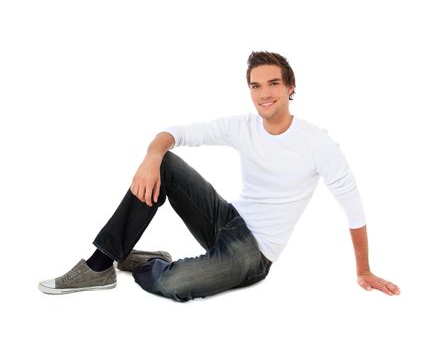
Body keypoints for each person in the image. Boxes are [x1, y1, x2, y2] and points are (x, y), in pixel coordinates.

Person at [38, 51, 400, 301]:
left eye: (273, 84)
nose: (264, 94)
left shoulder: (316, 142)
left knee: (174, 284)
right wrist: (152, 155)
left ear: (290, 87)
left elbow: (353, 207)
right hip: (226, 220)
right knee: (165, 161)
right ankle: (100, 264)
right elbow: (176, 132)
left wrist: (364, 270)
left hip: (253, 255)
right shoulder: (243, 126)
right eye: (256, 86)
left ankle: (149, 262)